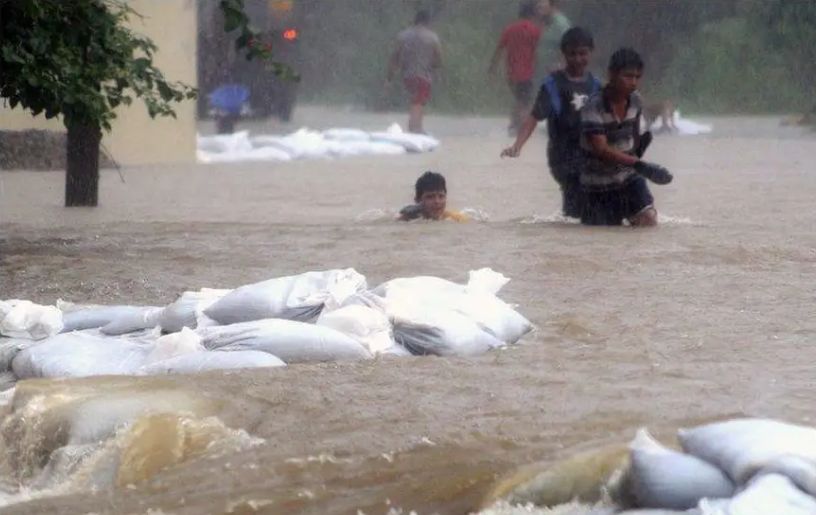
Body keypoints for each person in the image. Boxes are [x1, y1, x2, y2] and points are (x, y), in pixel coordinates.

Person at [500, 27, 601, 219]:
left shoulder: (596, 85)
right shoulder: (553, 85)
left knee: (592, 199)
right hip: (562, 155)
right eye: (572, 54)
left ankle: (572, 228)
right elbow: (534, 117)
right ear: (564, 54)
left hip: (589, 155)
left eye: (583, 54)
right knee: (575, 189)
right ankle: (570, 225)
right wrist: (517, 145)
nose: (578, 59)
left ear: (591, 53)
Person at [579, 48, 673, 227]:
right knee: (603, 234)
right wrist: (641, 165)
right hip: (597, 185)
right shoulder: (593, 107)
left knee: (648, 220)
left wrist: (640, 152)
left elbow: (634, 137)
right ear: (611, 74)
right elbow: (601, 149)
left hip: (629, 178)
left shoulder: (636, 100)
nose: (633, 82)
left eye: (637, 77)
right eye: (628, 76)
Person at [488, 1, 543, 135]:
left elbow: (499, 49)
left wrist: (492, 67)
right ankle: (518, 127)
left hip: (511, 73)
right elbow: (535, 51)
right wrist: (537, 66)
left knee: (519, 99)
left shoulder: (509, 29)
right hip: (527, 72)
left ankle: (514, 124)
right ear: (532, 14)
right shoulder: (534, 30)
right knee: (524, 101)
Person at [386, 10, 442, 134]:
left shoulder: (403, 36)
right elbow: (438, 59)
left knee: (416, 101)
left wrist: (389, 78)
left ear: (415, 20)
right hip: (424, 76)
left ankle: (417, 128)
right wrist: (436, 73)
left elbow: (394, 58)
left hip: (407, 76)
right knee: (418, 102)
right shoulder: (432, 37)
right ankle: (414, 129)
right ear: (428, 22)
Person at [398, 171, 468, 222]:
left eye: (441, 196)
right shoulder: (406, 219)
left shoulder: (457, 219)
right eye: (430, 197)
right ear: (417, 200)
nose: (437, 202)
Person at [535, 0, 572, 80]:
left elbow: (569, 46)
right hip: (543, 70)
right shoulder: (544, 22)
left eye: (542, 4)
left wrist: (561, 66)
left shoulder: (561, 24)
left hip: (555, 72)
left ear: (552, 5)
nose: (538, 6)